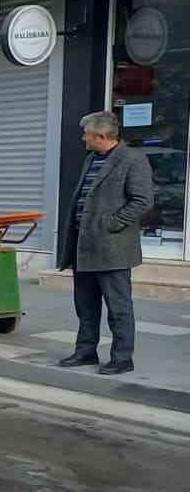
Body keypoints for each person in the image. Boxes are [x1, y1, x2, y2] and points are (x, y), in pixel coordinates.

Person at [58, 111, 155, 376]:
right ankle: (85, 351)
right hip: (83, 244)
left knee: (118, 307)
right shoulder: (92, 158)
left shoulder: (133, 159)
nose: (83, 138)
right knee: (85, 304)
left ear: (101, 136)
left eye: (86, 134)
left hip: (112, 247)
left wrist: (111, 223)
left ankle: (122, 358)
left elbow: (142, 201)